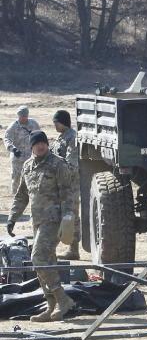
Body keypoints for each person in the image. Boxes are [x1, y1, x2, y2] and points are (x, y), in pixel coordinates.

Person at [5, 131, 77, 322]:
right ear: (32, 147)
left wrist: (69, 217)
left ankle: (63, 298)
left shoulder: (57, 164)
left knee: (38, 257)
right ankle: (51, 305)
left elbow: (67, 192)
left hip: (54, 220)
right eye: (37, 144)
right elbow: (22, 196)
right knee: (46, 262)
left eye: (43, 143)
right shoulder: (27, 166)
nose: (40, 146)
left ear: (47, 144)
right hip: (37, 221)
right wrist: (12, 217)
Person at [51, 110, 80, 260]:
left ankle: (74, 250)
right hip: (60, 184)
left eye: (56, 122)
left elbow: (72, 165)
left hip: (70, 185)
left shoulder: (72, 138)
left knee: (71, 216)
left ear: (63, 122)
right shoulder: (61, 137)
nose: (54, 125)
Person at [4, 106, 40, 197]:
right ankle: (15, 196)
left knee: (32, 176)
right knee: (16, 178)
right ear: (18, 116)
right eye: (21, 116)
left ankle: (31, 195)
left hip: (31, 157)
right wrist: (13, 149)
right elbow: (7, 139)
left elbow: (40, 136)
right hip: (17, 157)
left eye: (25, 116)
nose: (23, 118)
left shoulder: (33, 124)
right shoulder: (13, 126)